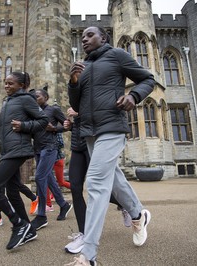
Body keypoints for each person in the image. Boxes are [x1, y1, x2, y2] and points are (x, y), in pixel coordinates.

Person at [65, 26, 156, 265]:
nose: (84, 39)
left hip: (112, 126)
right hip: (89, 133)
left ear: (103, 38)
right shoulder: (82, 67)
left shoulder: (116, 55)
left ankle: (88, 256)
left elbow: (148, 79)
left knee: (95, 182)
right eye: (82, 36)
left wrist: (133, 96)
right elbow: (76, 103)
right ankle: (138, 214)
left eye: (90, 35)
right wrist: (73, 83)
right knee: (114, 178)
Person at [0, 71, 49, 250]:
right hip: (7, 151)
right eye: (5, 83)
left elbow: (44, 120)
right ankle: (29, 229)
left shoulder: (26, 99)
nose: (6, 86)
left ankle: (18, 224)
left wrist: (24, 126)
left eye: (10, 83)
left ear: (21, 85)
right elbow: (0, 131)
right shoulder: (8, 102)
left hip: (17, 151)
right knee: (12, 192)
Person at [63, 107, 132, 255]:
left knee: (98, 188)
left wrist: (80, 113)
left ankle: (124, 205)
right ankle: (83, 234)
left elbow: (101, 112)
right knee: (75, 188)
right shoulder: (75, 92)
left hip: (93, 143)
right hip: (77, 146)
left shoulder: (92, 89)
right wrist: (71, 126)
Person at [30, 89, 73, 231]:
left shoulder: (53, 110)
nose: (36, 98)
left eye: (38, 96)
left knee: (39, 177)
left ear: (46, 97)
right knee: (48, 178)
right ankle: (63, 204)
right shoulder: (33, 112)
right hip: (37, 149)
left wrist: (54, 129)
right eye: (34, 97)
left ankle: (41, 215)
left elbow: (68, 126)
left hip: (50, 148)